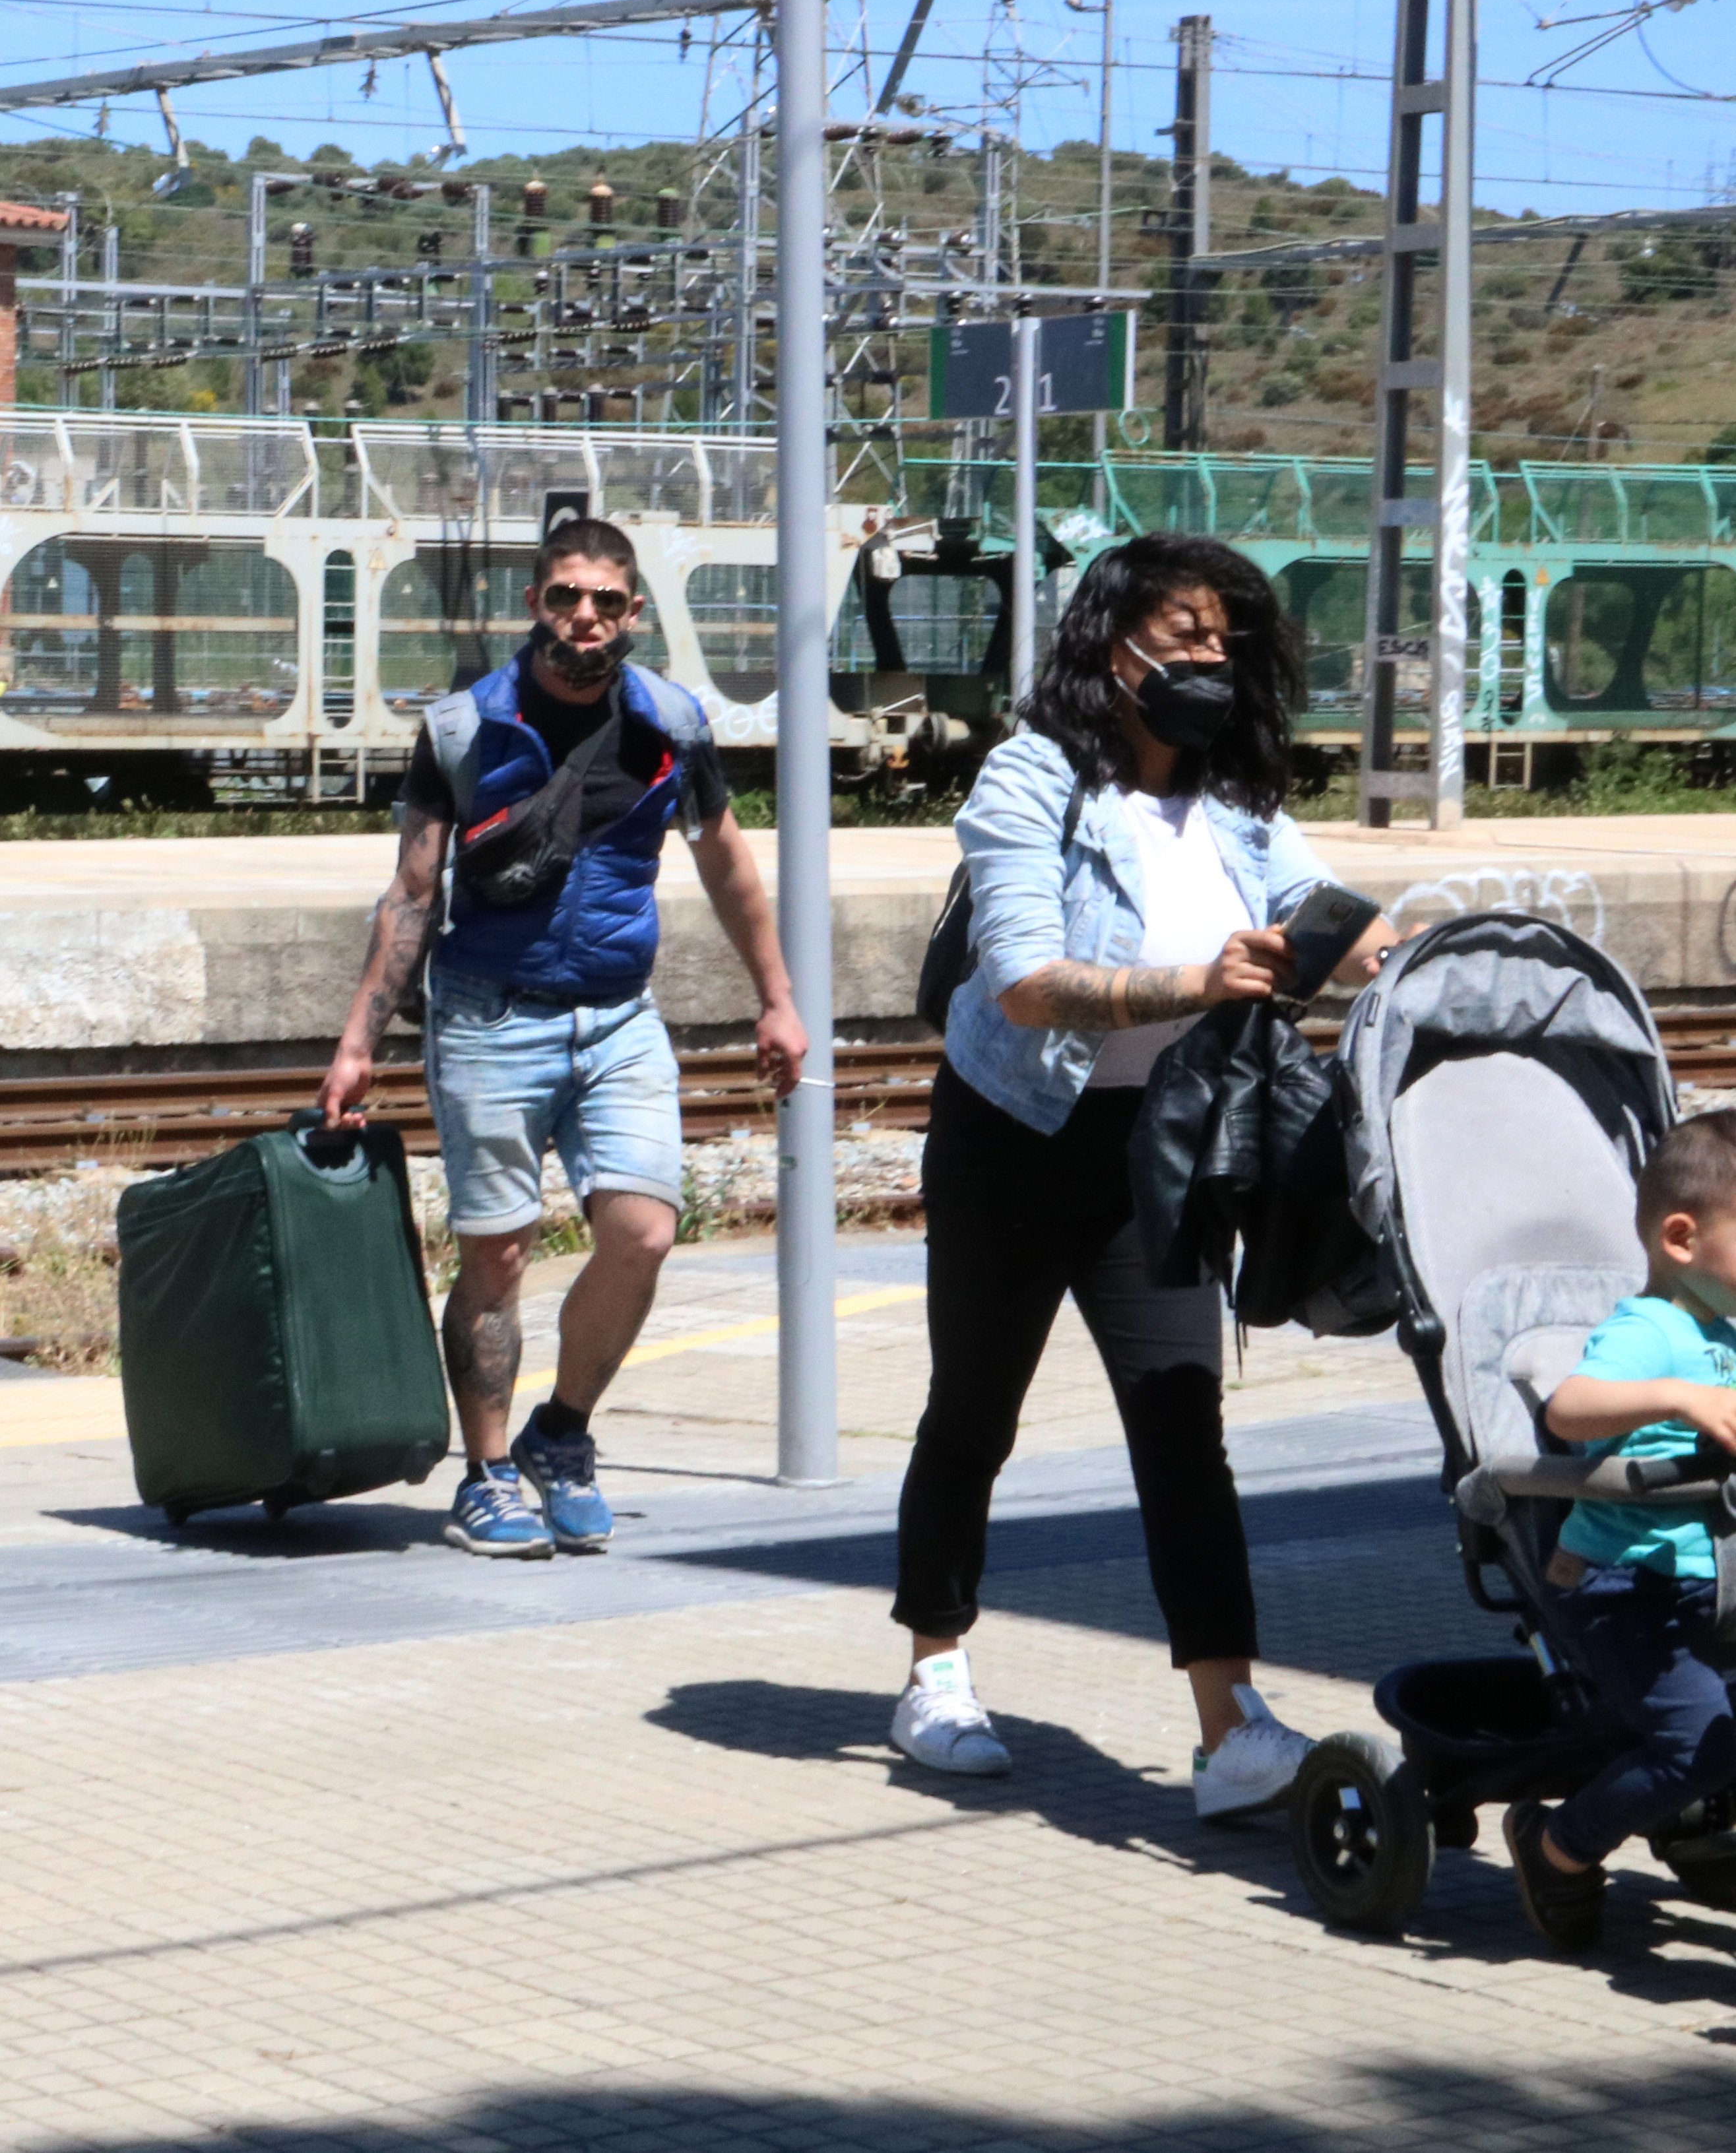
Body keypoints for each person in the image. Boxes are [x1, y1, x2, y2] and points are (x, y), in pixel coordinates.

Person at [891, 530, 1394, 1815]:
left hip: (1151, 1155)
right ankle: (934, 1667)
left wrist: (1414, 943)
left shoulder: (1230, 806)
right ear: (1109, 648)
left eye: (1224, 637)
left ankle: (1228, 1727)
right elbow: (1021, 975)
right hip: (1010, 1138)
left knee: (1181, 1429)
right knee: (974, 1410)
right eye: (1182, 635)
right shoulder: (1028, 780)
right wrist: (1191, 980)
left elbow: (1331, 912)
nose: (1207, 656)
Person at [319, 516, 802, 1559]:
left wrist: (778, 996)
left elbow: (727, 864)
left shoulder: (669, 722)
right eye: (565, 596)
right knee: (497, 1253)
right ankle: (487, 1474)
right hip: (493, 1013)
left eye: (607, 600)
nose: (585, 616)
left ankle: (561, 1432)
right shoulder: (463, 730)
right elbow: (410, 895)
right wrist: (358, 1039)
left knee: (643, 1233)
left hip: (621, 1015)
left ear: (632, 613)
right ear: (536, 606)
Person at [1506, 1112, 1736, 1951]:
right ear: (1682, 1238)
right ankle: (1557, 1848)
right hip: (1626, 1594)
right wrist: (1684, 1398)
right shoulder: (1651, 1333)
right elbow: (1569, 1410)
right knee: (1697, 1747)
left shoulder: (1728, 1328)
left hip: (1714, 1583)